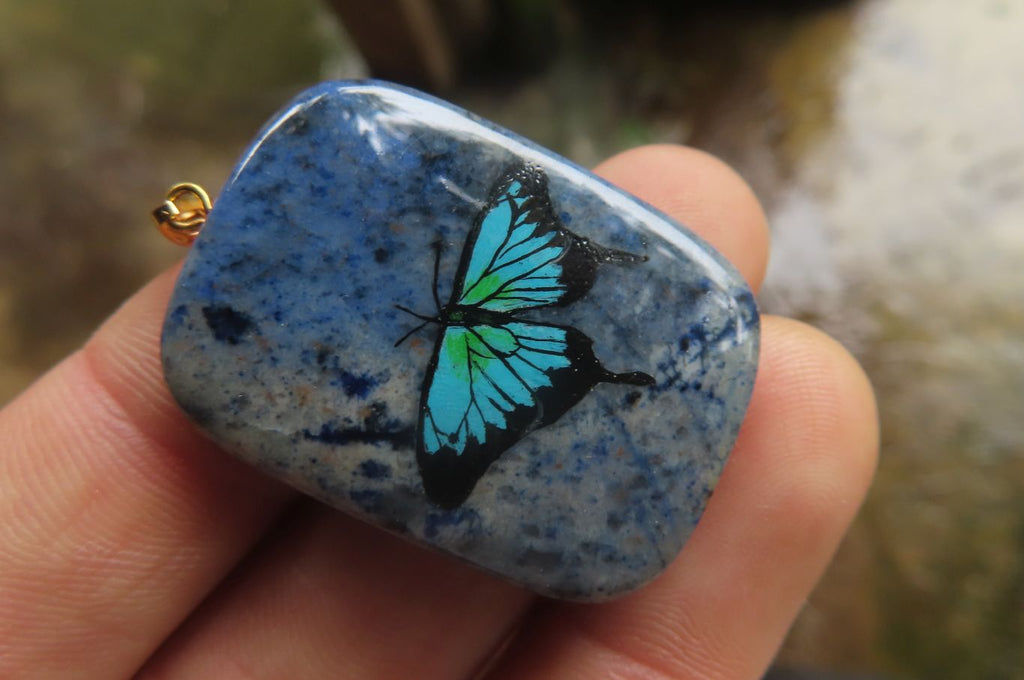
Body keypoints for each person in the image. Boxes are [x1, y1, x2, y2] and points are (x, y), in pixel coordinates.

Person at [0, 145, 877, 678]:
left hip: (522, 357)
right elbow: (450, 457)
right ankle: (605, 371)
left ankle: (604, 368)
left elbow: (517, 197)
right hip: (514, 357)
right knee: (529, 375)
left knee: (524, 369)